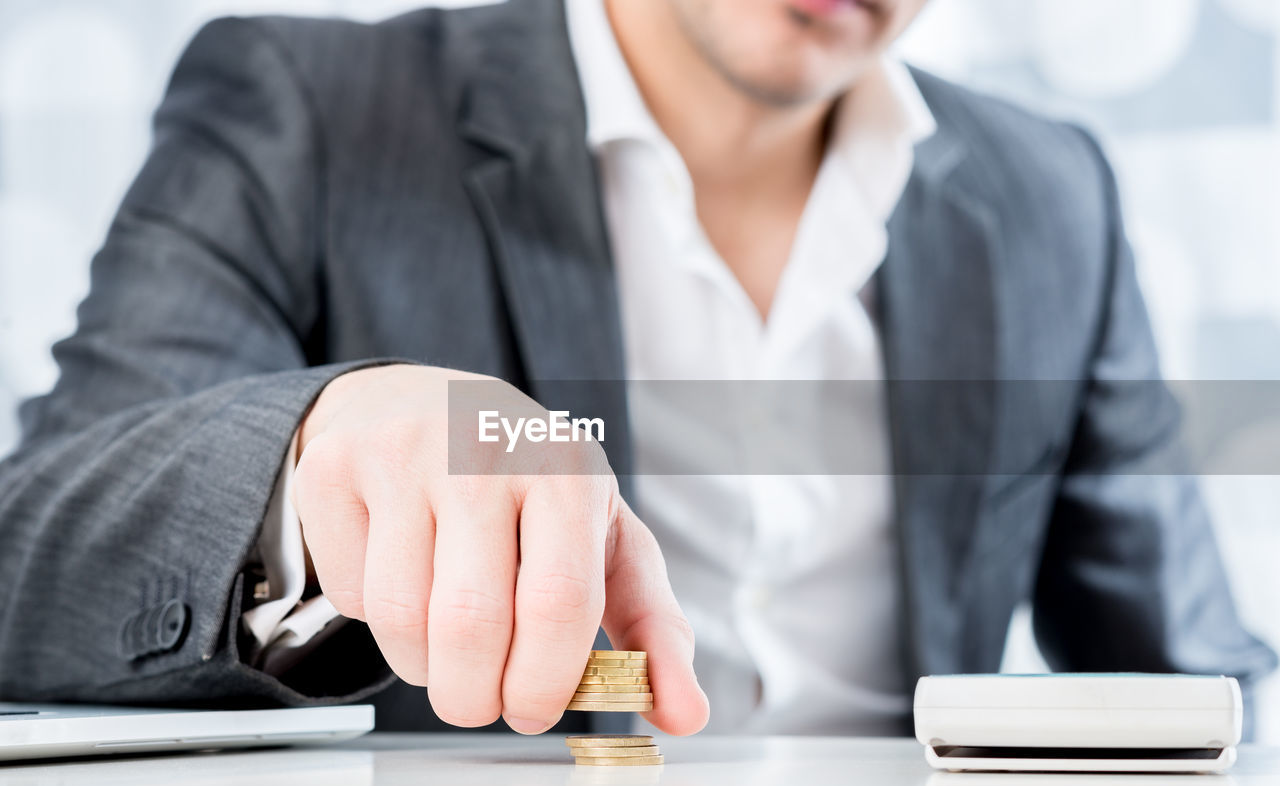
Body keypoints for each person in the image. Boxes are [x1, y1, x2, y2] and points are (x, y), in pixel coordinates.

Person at [0, 0, 1273, 738]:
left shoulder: (1052, 193)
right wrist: (314, 445)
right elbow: (28, 563)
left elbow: (1192, 681)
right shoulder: (310, 107)